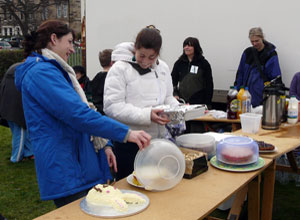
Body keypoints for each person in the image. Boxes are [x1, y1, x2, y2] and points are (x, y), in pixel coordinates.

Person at [14, 20, 151, 208]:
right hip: (66, 167)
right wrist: (126, 133)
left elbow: (85, 110)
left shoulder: (55, 71)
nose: (72, 49)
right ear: (54, 39)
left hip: (78, 161)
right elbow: (78, 114)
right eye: (70, 42)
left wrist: (106, 145)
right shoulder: (41, 73)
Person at [103, 26, 179, 180]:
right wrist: (147, 115)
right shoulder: (120, 69)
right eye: (141, 55)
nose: (145, 62)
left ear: (158, 54)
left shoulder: (163, 68)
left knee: (157, 184)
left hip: (158, 141)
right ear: (134, 48)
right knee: (131, 190)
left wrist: (179, 109)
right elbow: (112, 106)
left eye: (152, 57)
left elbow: (168, 98)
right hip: (129, 142)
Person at [234, 27, 282, 107]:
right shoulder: (247, 52)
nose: (254, 44)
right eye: (252, 41)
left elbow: (275, 78)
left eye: (257, 41)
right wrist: (237, 90)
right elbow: (240, 73)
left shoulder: (270, 54)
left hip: (262, 97)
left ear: (262, 38)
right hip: (246, 95)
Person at [0, 62, 33, 163]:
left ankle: (29, 153)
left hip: (6, 108)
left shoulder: (11, 72)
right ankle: (16, 158)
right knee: (20, 133)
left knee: (22, 132)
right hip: (16, 111)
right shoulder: (22, 75)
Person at [171, 37, 213, 108]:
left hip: (199, 104)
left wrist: (207, 104)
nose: (186, 48)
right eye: (185, 46)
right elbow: (172, 81)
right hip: (182, 103)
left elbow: (209, 86)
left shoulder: (204, 64)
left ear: (196, 47)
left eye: (189, 45)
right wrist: (175, 94)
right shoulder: (179, 63)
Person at [91, 49, 113, 115]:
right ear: (112, 62)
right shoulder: (111, 77)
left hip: (97, 111)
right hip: (107, 112)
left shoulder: (96, 77)